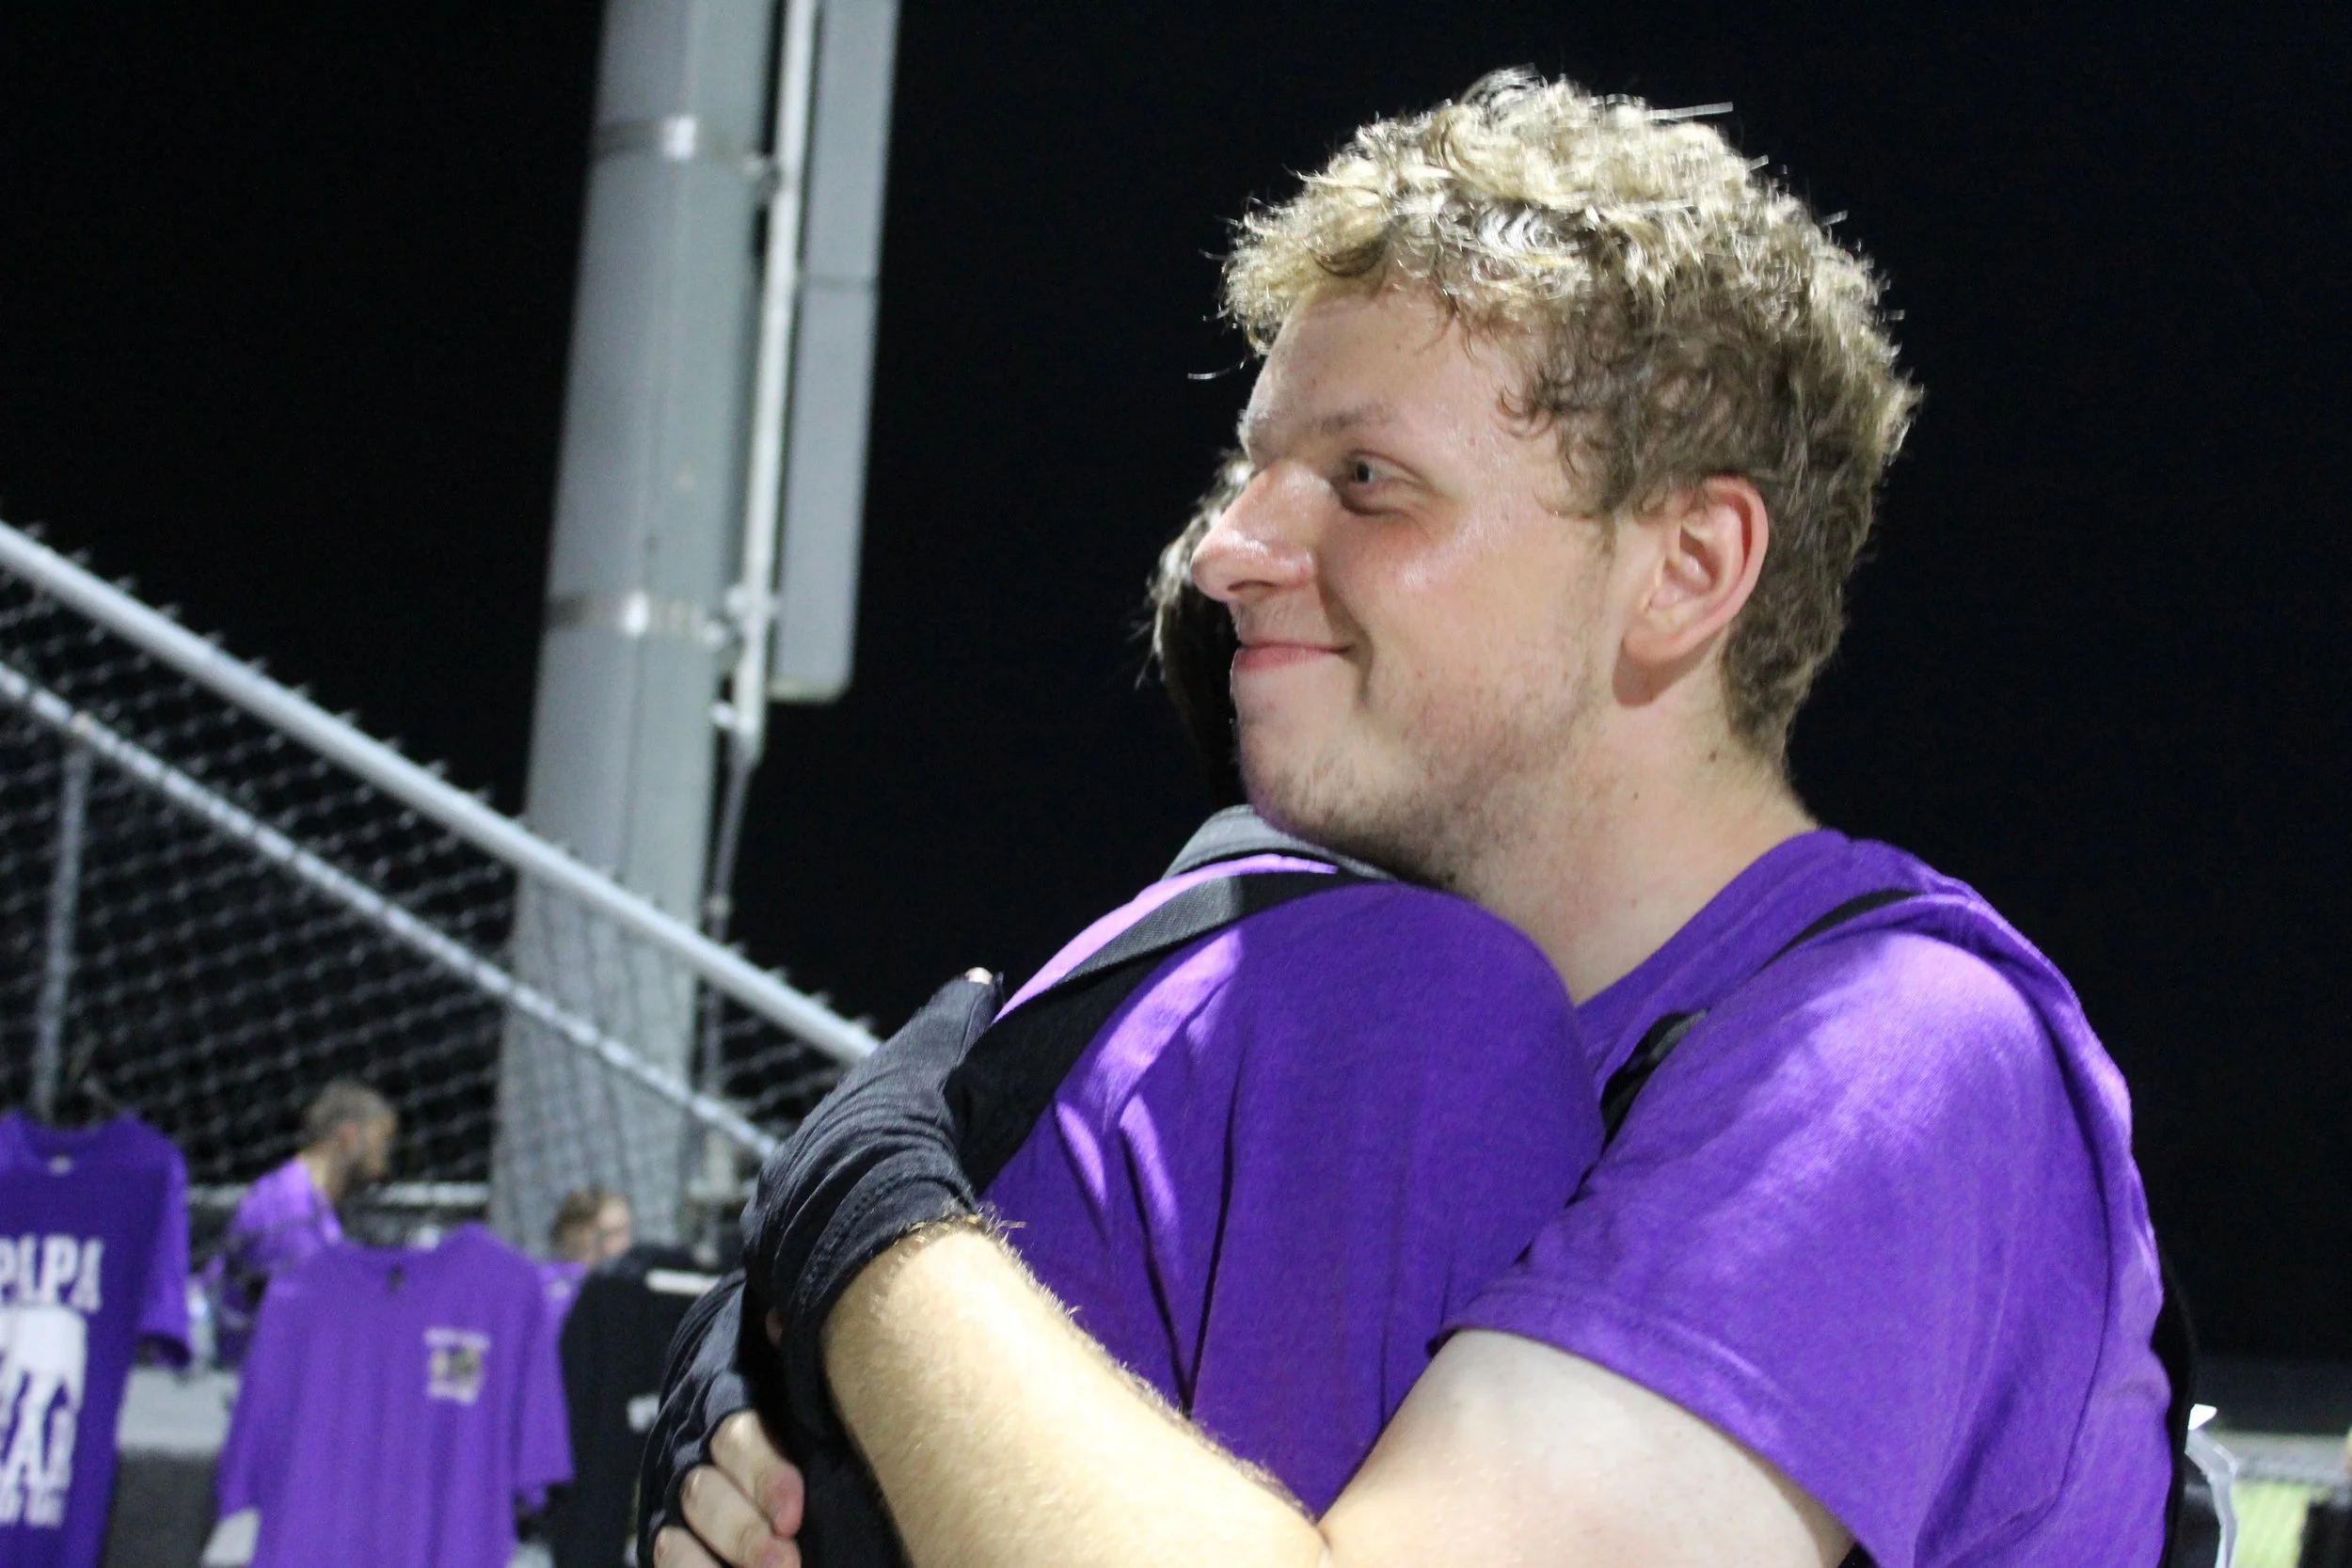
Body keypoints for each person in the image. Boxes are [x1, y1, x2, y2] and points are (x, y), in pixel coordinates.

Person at [657, 71, 2173, 1568]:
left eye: (1368, 479)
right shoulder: (1336, 1008)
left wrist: (873, 1243)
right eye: (1255, 468)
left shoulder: (1890, 1059)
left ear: (1687, 569)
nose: (1226, 549)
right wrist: (810, 1415)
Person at [204, 1078, 396, 1367]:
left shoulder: (312, 1203)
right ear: (349, 1137)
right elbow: (310, 1316)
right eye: (380, 1143)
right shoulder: (290, 1207)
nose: (383, 1164)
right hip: (254, 1375)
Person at [541, 1185, 633, 1321]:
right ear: (577, 1235)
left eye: (625, 1232)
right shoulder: (550, 1289)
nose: (625, 1244)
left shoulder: (627, 1282)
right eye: (612, 1233)